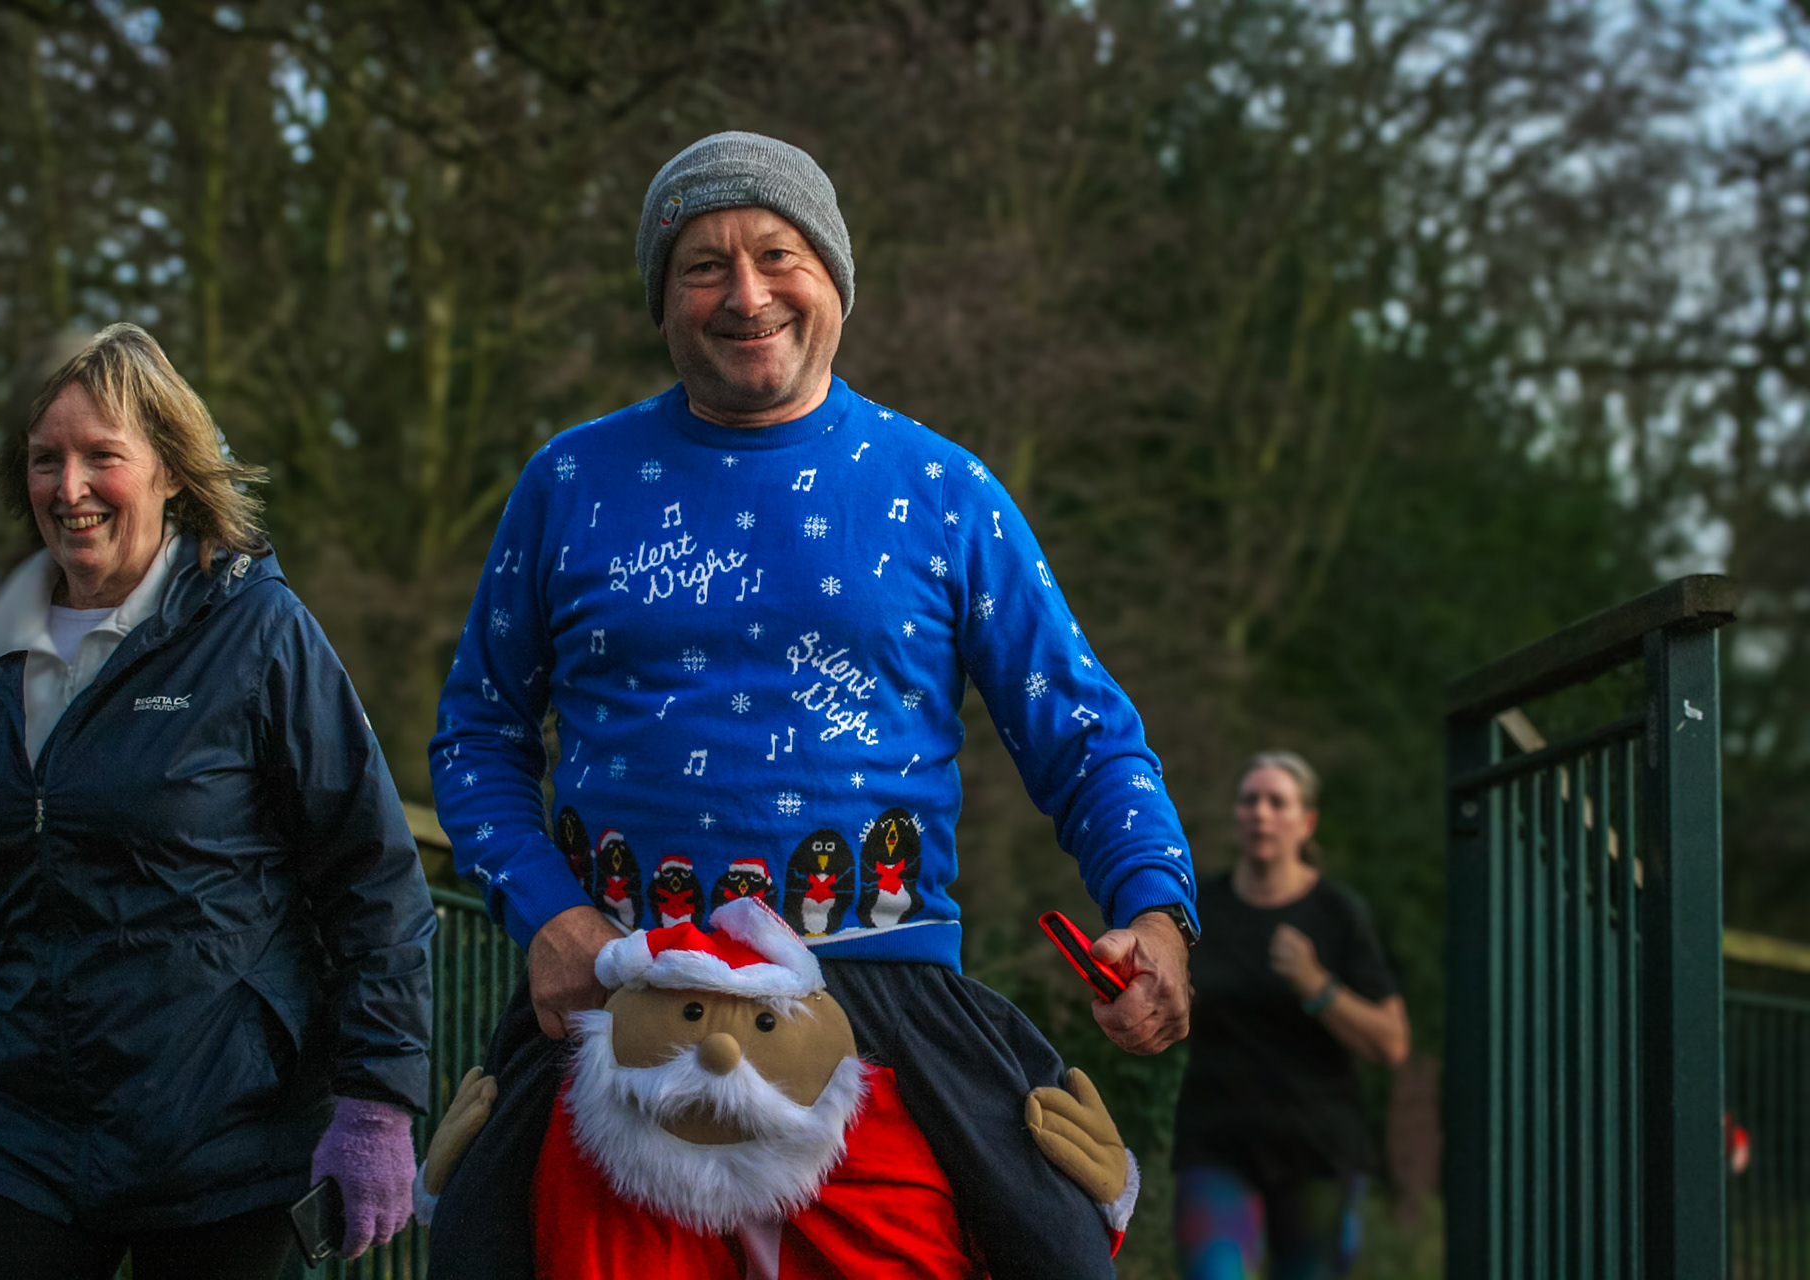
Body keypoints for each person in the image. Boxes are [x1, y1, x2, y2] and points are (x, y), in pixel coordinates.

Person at [425, 130, 1199, 1280]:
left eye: (778, 254)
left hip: (885, 1008)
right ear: (661, 297)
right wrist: (547, 915)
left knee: (1057, 1252)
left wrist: (1157, 905)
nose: (747, 295)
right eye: (703, 264)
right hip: (617, 998)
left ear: (833, 277)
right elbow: (476, 733)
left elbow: (1085, 731)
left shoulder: (944, 488)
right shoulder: (570, 480)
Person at [0, 324, 435, 1277]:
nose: (71, 489)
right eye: (44, 460)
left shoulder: (260, 634)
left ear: (173, 472)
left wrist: (379, 1100)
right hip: (26, 1141)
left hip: (228, 1143)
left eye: (104, 456)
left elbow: (371, 877)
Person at [1171, 750, 1410, 1280]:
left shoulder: (1337, 915)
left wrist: (1317, 985)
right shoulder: (1198, 908)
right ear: (1235, 814)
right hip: (1218, 1146)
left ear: (1307, 823)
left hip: (1318, 1153)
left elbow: (1391, 1043)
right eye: (1249, 800)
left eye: (1277, 802)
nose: (1260, 813)